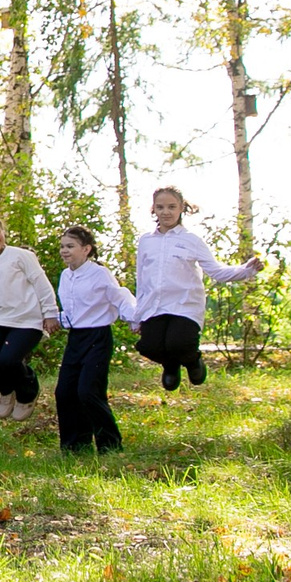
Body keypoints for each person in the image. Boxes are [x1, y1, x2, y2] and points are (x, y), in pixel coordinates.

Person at [134, 186, 264, 390]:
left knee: (178, 343)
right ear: (154, 210)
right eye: (160, 207)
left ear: (181, 209)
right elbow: (141, 278)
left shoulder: (191, 240)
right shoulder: (146, 241)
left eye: (171, 206)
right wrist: (137, 314)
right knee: (149, 347)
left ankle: (193, 360)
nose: (166, 212)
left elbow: (216, 271)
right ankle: (170, 365)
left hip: (184, 305)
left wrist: (246, 270)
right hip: (154, 306)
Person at [0, 215, 59, 420]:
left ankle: (27, 392)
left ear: (3, 233)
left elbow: (40, 282)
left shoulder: (20, 256)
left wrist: (50, 312)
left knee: (8, 360)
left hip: (27, 321)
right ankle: (7, 390)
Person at [53, 225, 136, 454]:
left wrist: (135, 320)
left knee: (88, 391)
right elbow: (72, 312)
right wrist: (51, 320)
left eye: (70, 246)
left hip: (98, 336)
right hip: (76, 338)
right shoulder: (65, 276)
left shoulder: (99, 273)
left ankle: (110, 444)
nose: (64, 251)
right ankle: (75, 446)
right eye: (62, 247)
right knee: (64, 392)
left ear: (86, 249)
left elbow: (120, 297)